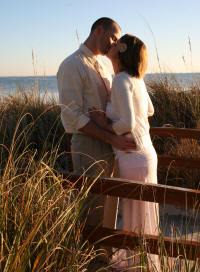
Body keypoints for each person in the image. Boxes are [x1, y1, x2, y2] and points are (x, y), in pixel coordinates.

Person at [57, 18, 136, 231]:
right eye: (112, 37)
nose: (114, 43)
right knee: (93, 207)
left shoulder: (102, 64)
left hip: (110, 144)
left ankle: (104, 257)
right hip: (88, 144)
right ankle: (91, 261)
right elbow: (72, 115)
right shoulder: (71, 64)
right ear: (98, 30)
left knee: (110, 204)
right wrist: (112, 138)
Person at [89, 34, 161, 271]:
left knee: (134, 210)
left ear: (122, 50)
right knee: (143, 211)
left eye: (117, 42)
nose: (112, 44)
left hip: (132, 152)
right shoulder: (136, 79)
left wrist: (104, 122)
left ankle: (137, 263)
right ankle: (142, 260)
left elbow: (127, 123)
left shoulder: (121, 80)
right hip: (147, 152)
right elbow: (149, 110)